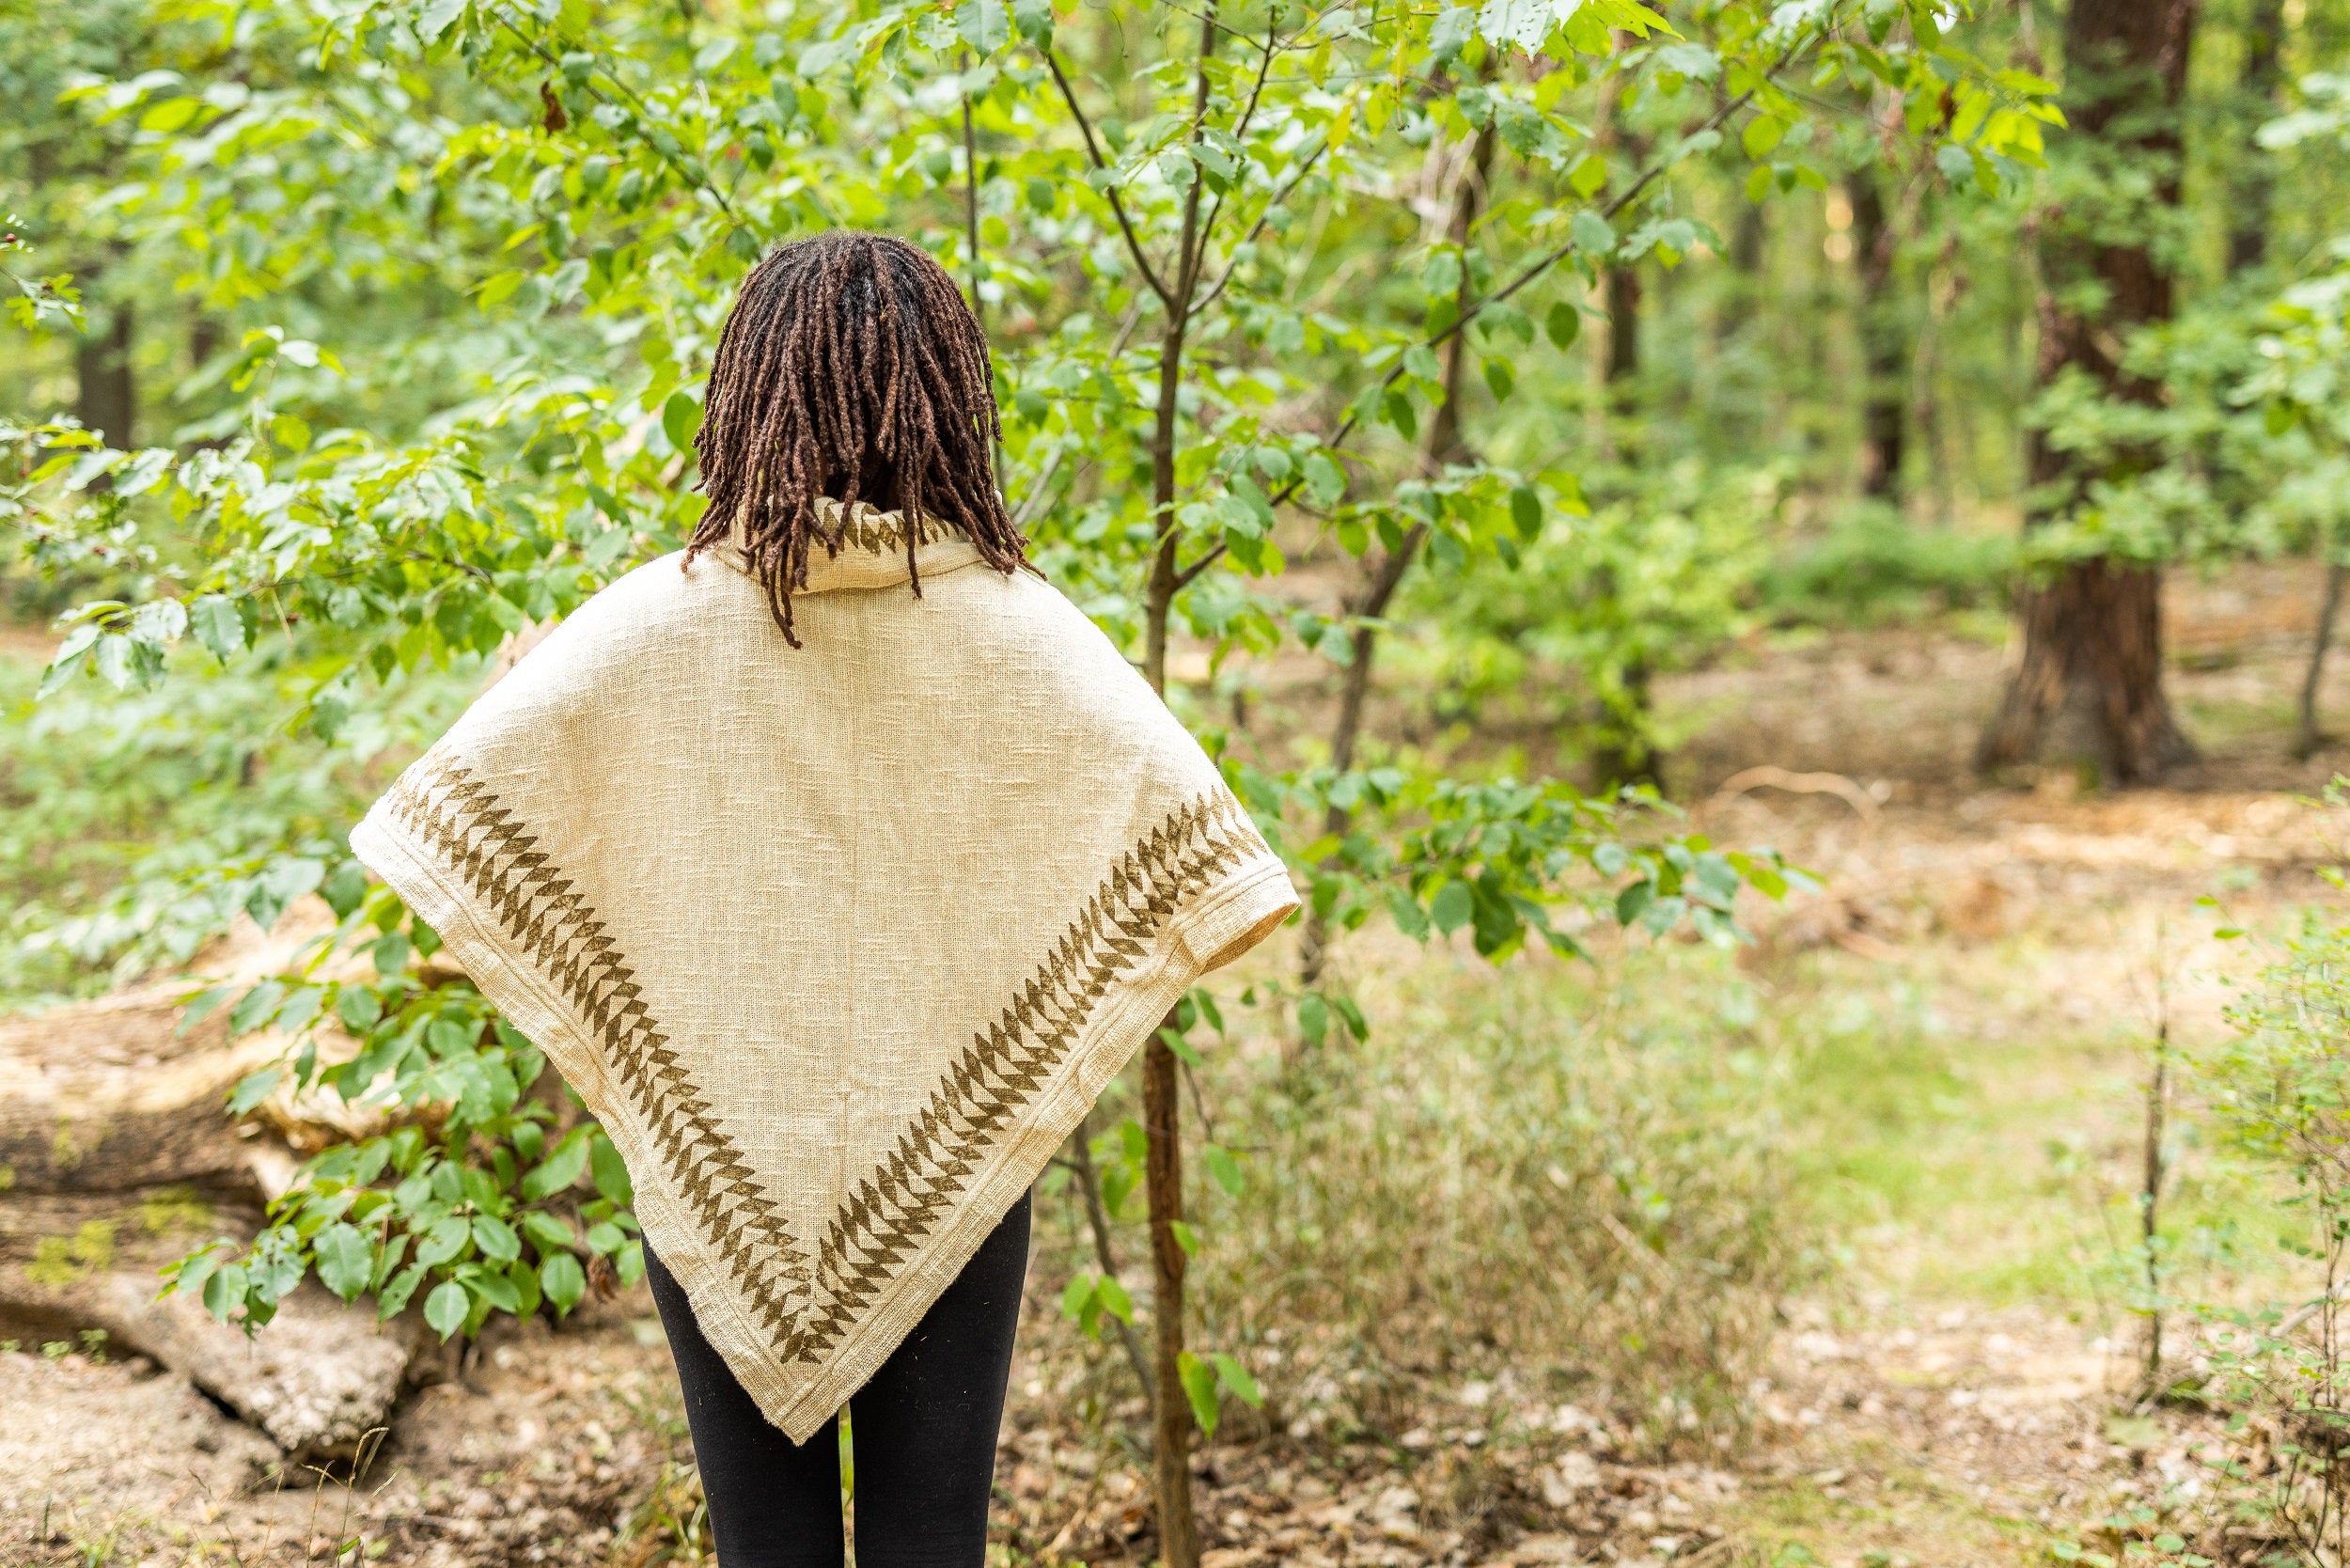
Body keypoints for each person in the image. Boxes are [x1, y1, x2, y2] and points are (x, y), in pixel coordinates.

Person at [348, 231, 1298, 1568]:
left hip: (711, 1152)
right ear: (943, 399)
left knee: (763, 1553)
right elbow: (1197, 847)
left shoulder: (651, 626)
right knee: (935, 1548)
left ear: (749, 394)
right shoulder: (1025, 632)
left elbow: (451, 824)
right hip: (959, 1163)